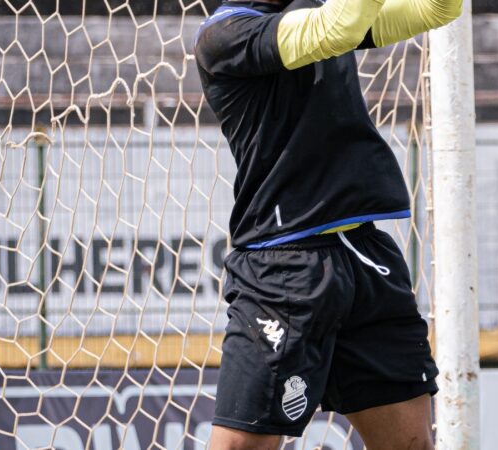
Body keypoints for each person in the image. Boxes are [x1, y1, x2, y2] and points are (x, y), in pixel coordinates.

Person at [194, 0, 462, 447]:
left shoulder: (317, 11)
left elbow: (436, 10)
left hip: (366, 256)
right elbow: (339, 26)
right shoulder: (225, 35)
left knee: (411, 444)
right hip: (282, 267)